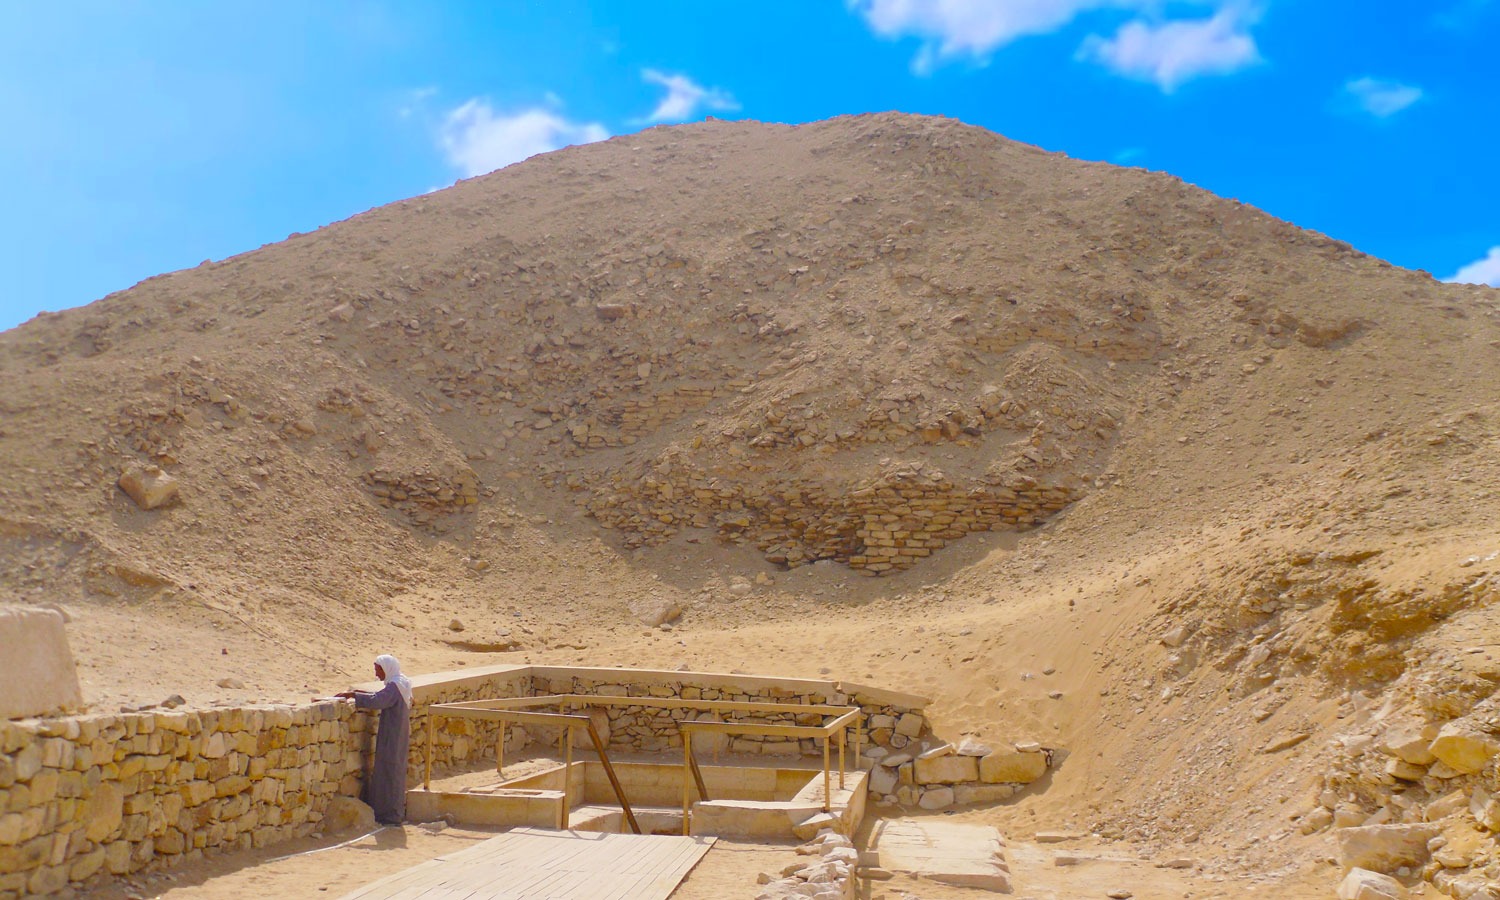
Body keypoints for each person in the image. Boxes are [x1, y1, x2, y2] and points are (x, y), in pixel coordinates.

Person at [335, 654, 412, 825]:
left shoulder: (395, 686)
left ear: (387, 669)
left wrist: (353, 696)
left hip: (392, 735)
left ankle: (389, 816)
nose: (377, 675)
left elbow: (379, 700)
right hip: (397, 733)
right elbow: (381, 694)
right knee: (393, 771)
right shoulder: (400, 682)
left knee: (389, 772)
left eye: (378, 670)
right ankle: (391, 813)